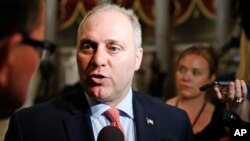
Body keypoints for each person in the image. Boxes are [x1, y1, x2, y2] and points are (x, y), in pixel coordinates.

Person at [4, 4, 194, 141]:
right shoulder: (30, 127)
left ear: (138, 58)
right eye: (87, 47)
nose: (98, 60)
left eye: (113, 48)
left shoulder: (175, 123)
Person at [166, 44, 248, 141]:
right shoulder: (158, 110)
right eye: (181, 69)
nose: (185, 78)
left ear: (211, 78)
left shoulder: (220, 117)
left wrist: (237, 110)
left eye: (195, 72)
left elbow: (241, 135)